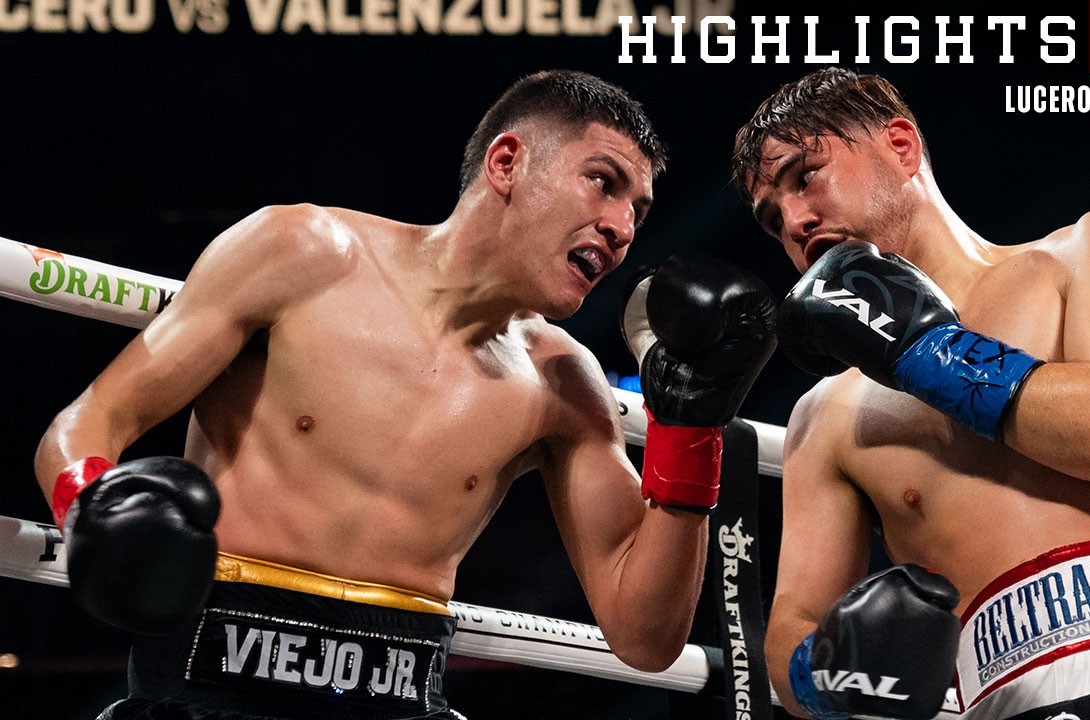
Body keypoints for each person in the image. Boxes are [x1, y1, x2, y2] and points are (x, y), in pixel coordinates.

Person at [34, 69, 778, 720]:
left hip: (401, 698)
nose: (620, 228)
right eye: (604, 183)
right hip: (208, 689)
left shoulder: (561, 379)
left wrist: (691, 432)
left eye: (639, 212)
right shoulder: (303, 252)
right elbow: (93, 419)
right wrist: (94, 505)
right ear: (508, 162)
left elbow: (646, 639)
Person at [729, 67, 1090, 720]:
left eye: (805, 176)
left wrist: (926, 352)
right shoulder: (827, 417)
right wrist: (823, 669)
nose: (795, 220)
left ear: (900, 146)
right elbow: (794, 624)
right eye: (772, 219)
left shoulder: (1087, 252)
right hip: (1004, 695)